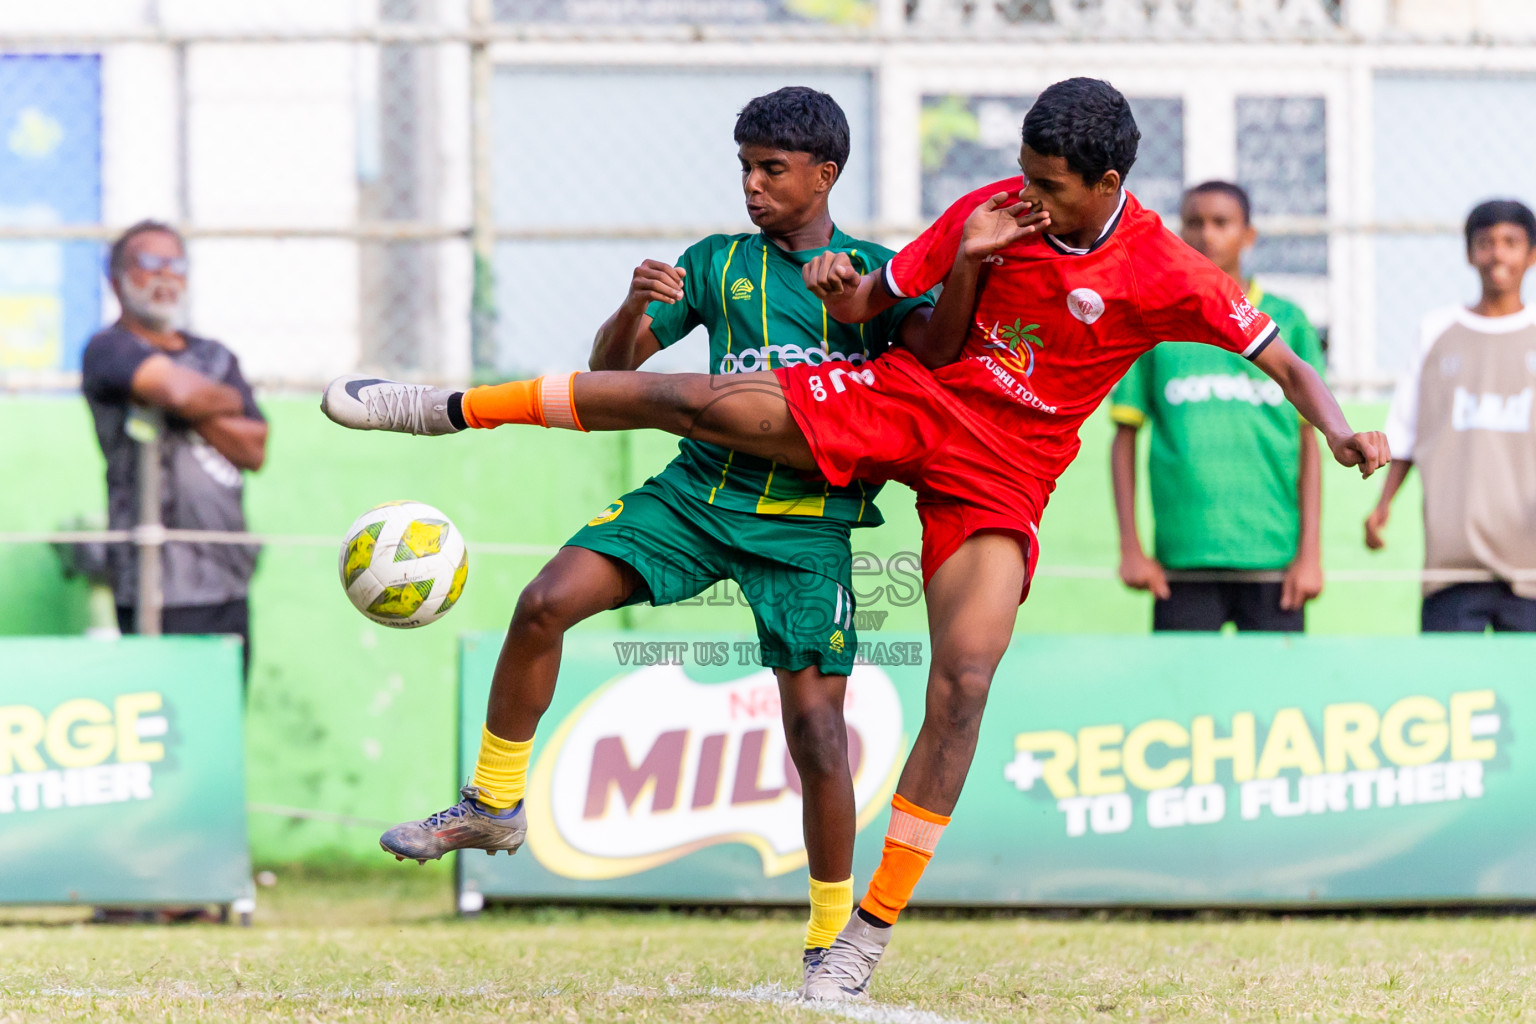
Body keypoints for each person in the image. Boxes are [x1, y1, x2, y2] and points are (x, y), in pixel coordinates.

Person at [322, 78, 1388, 1001]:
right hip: (906, 401)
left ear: (1107, 183)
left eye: (1049, 185)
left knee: (963, 683)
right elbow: (894, 307)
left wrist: (1340, 432)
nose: (1027, 195)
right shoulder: (986, 208)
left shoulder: (1172, 272)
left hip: (1005, 471)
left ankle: (859, 940)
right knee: (697, 400)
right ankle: (442, 407)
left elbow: (1286, 361)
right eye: (1022, 173)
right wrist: (915, 270)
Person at [362, 87, 936, 982]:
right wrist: (633, 308)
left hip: (806, 526)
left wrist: (869, 305)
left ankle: (831, 944)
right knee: (544, 602)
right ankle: (492, 803)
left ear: (825, 174)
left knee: (818, 734)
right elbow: (611, 373)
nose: (751, 185)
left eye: (771, 169)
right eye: (744, 167)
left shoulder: (878, 275)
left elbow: (933, 365)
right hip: (697, 497)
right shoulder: (715, 263)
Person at [1109, 180, 1326, 631]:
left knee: (1276, 679)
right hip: (1183, 559)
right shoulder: (1155, 319)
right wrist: (1130, 547)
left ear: (1249, 235)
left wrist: (1310, 553)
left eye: (1221, 222)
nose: (1207, 234)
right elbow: (1125, 436)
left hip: (1273, 559)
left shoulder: (1289, 321)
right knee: (1182, 680)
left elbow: (1309, 443)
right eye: (1195, 222)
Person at [82, 220, 267, 687]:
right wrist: (217, 401)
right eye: (150, 263)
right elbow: (177, 391)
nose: (165, 275)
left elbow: (254, 448)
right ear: (117, 279)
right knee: (160, 716)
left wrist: (185, 403)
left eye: (176, 264)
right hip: (152, 583)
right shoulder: (109, 350)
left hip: (226, 579)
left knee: (223, 713)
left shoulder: (216, 355)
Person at [1367, 199, 1536, 631]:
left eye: (1511, 242)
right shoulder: (1436, 330)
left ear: (1531, 254)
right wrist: (1383, 504)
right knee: (1450, 671)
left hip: (1530, 561)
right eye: (1486, 243)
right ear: (1469, 253)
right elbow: (1407, 428)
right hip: (1453, 562)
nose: (1498, 254)